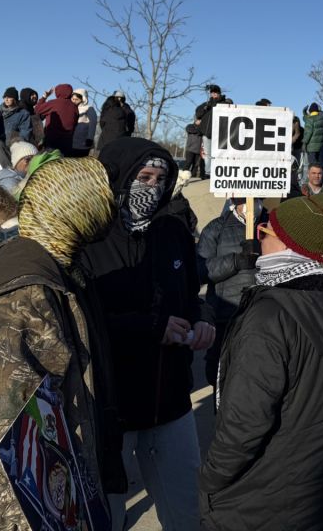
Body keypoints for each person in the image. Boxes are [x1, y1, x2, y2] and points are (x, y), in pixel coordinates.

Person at [0, 157, 125, 528]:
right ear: (73, 216)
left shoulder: (60, 274)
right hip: (17, 512)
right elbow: (9, 440)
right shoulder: (25, 295)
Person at [199, 195, 323, 531]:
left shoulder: (271, 315)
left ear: (290, 245)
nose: (258, 235)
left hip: (265, 499)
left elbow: (245, 423)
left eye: (265, 230)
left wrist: (212, 479)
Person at [80, 137, 215, 530]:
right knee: (106, 517)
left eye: (160, 179)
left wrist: (202, 319)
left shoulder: (172, 231)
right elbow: (83, 320)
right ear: (118, 177)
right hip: (111, 408)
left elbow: (191, 296)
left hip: (170, 401)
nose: (152, 188)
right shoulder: (89, 239)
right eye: (143, 177)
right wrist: (150, 328)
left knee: (187, 512)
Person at [197, 198, 262, 389]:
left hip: (262, 317)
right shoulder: (216, 228)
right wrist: (235, 262)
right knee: (222, 377)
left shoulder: (271, 225)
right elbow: (200, 270)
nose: (253, 202)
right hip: (225, 317)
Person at [34, 83, 78, 154]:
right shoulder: (74, 107)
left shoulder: (53, 103)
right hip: (68, 142)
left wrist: (44, 97)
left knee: (51, 160)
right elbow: (75, 123)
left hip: (52, 140)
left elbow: (37, 109)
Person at [195, 84, 224, 178]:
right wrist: (205, 108)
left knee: (218, 153)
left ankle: (217, 172)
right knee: (207, 153)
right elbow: (198, 114)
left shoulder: (224, 103)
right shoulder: (206, 104)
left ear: (219, 93)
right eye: (212, 92)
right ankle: (208, 172)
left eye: (216, 92)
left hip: (219, 133)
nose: (214, 94)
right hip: (207, 133)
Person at [70, 88, 98, 157]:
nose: (74, 101)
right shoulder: (70, 108)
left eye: (76, 99)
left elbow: (93, 123)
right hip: (71, 141)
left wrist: (90, 138)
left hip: (83, 141)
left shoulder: (88, 108)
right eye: (73, 99)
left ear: (83, 99)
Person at [303, 102, 323, 169]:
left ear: (310, 111)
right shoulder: (322, 119)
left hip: (311, 146)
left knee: (312, 165)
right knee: (320, 165)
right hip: (320, 145)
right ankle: (321, 176)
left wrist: (304, 142)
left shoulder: (310, 119)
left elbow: (308, 132)